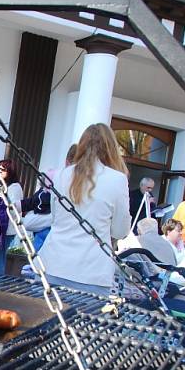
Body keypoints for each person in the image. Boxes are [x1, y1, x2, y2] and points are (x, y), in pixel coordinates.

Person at [38, 123, 131, 296]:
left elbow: (55, 217)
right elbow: (120, 231)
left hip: (53, 263)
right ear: (111, 148)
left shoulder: (61, 175)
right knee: (83, 323)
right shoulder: (117, 179)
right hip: (92, 272)